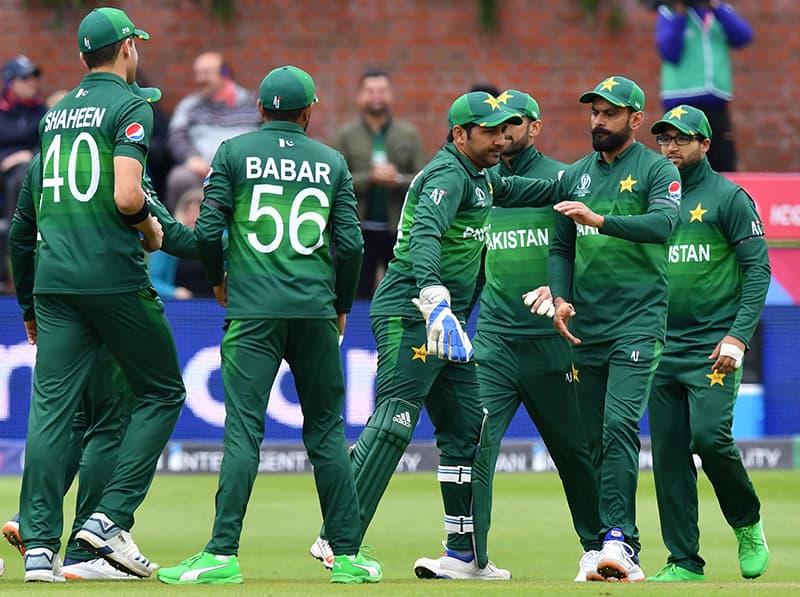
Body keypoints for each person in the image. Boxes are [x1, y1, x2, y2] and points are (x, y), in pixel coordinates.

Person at [310, 91, 556, 580]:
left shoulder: (482, 177)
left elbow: (530, 190)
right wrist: (434, 300)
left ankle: (462, 554)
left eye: (504, 129)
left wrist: (587, 182)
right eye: (488, 131)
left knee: (468, 427)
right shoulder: (447, 175)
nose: (500, 138)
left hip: (448, 323)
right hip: (413, 312)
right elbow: (424, 236)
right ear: (460, 134)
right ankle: (337, 539)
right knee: (398, 417)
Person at [156, 65, 381, 585]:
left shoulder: (233, 154)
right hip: (314, 311)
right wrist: (341, 302)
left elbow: (208, 230)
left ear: (260, 110)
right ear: (308, 113)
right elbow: (350, 246)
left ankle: (222, 554)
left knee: (243, 433)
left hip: (252, 311)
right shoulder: (332, 161)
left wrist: (217, 280)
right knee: (326, 431)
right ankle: (346, 555)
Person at [9, 7, 186, 582]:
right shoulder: (132, 104)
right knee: (161, 391)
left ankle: (39, 548)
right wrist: (152, 230)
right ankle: (108, 520)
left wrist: (29, 305)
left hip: (54, 281)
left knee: (53, 411)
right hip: (111, 276)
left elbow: (21, 228)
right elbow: (130, 197)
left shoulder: (55, 114)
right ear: (129, 47)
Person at [548, 75, 682, 582]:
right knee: (592, 441)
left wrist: (600, 220)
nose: (598, 121)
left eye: (609, 113)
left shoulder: (657, 168)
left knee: (619, 425)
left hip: (638, 321)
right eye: (594, 112)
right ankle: (607, 545)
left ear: (635, 119)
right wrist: (560, 298)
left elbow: (663, 227)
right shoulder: (575, 175)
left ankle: (619, 542)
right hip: (588, 326)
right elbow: (561, 246)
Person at [474, 89, 603, 582]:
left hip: (555, 341)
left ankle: (597, 549)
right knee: (475, 442)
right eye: (496, 125)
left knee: (574, 449)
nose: (503, 134)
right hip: (496, 338)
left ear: (535, 126)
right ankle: (469, 553)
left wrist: (562, 291)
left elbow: (590, 253)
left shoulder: (563, 180)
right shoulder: (479, 182)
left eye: (514, 124)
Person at [645, 105, 770, 582]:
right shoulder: (653, 198)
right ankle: (683, 561)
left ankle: (746, 523)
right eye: (664, 139)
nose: (671, 147)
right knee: (670, 454)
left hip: (714, 347)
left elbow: (759, 271)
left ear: (705, 145)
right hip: (660, 344)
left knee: (710, 438)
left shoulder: (729, 198)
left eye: (681, 139)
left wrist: (738, 336)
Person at [331, 69, 426, 298]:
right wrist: (370, 177)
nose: (376, 96)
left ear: (390, 95)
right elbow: (334, 180)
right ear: (359, 96)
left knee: (402, 295)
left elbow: (422, 178)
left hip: (398, 230)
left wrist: (397, 179)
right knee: (355, 295)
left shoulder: (409, 133)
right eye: (370, 91)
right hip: (356, 230)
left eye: (382, 91)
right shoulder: (345, 135)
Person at [656, 0, 753, 172]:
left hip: (715, 102)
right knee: (680, 161)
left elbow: (743, 36)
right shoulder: (669, 12)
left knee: (723, 161)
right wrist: (679, 13)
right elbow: (669, 52)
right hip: (680, 102)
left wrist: (716, 7)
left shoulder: (718, 11)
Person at [165, 51, 261, 212]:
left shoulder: (253, 103)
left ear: (225, 73)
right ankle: (183, 234)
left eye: (205, 73)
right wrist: (191, 158)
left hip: (245, 172)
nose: (198, 80)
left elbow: (267, 134)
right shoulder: (190, 105)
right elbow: (176, 135)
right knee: (179, 178)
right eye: (197, 74)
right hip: (201, 174)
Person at [0, 54, 46, 291]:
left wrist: (28, 157)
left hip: (30, 172)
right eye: (24, 77)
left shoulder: (42, 111)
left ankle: (17, 239)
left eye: (33, 76)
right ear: (10, 82)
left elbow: (47, 143)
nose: (31, 82)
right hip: (3, 175)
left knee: (24, 172)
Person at [148, 188, 212, 299]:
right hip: (179, 306)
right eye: (189, 211)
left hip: (216, 304)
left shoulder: (221, 240)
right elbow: (153, 281)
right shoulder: (167, 240)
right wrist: (174, 292)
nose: (193, 217)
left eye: (199, 212)